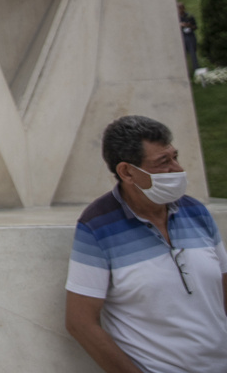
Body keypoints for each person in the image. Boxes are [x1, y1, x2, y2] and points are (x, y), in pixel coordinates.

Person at [64, 115, 227, 372]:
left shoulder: (196, 211)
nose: (177, 168)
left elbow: (224, 285)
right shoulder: (97, 226)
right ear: (127, 172)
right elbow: (80, 322)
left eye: (174, 156)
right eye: (163, 162)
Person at [178, 2, 199, 75]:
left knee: (193, 53)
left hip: (190, 35)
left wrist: (189, 25)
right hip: (182, 36)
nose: (180, 10)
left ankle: (196, 71)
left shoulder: (189, 16)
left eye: (181, 8)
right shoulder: (177, 18)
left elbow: (195, 27)